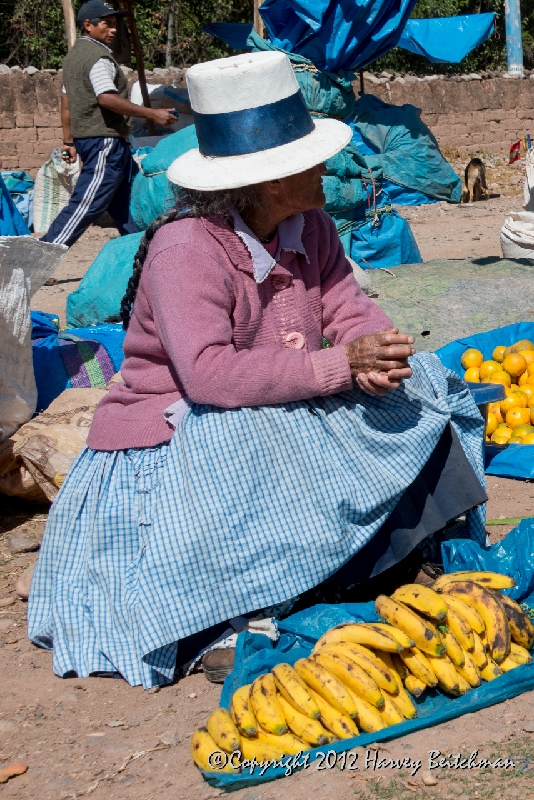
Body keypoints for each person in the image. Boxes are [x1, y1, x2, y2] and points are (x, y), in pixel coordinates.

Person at [29, 52, 487, 689]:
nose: (327, 170)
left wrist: (375, 352)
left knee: (428, 381)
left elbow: (349, 309)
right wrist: (339, 366)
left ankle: (400, 554)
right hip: (178, 434)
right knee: (243, 433)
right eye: (312, 161)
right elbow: (210, 378)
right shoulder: (186, 248)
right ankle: (235, 610)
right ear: (270, 180)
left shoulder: (311, 226)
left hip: (282, 396)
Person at [40, 0, 176, 248]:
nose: (113, 30)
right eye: (107, 24)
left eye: (115, 24)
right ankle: (43, 255)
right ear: (88, 25)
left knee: (128, 204)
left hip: (96, 141)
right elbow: (106, 98)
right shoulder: (98, 57)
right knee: (86, 204)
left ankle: (145, 253)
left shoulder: (73, 58)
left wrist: (69, 140)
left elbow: (66, 100)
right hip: (104, 141)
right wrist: (152, 114)